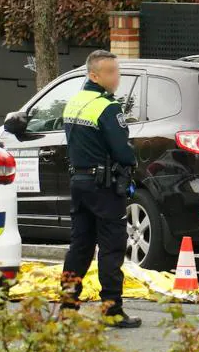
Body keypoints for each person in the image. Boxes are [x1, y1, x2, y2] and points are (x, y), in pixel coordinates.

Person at [60, 50, 141, 328]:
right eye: (111, 72)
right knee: (111, 247)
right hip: (104, 186)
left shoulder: (74, 102)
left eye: (117, 71)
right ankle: (112, 309)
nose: (116, 77)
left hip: (79, 182)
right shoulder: (108, 106)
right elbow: (122, 149)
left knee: (80, 245)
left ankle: (68, 305)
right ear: (94, 75)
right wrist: (132, 162)